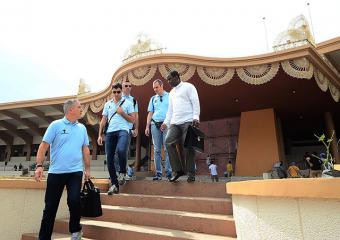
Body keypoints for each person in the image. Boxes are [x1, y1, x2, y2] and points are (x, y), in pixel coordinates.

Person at [34, 99, 90, 240]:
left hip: (75, 172)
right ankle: (44, 237)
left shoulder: (82, 128)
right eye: (79, 107)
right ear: (70, 110)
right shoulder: (55, 125)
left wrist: (87, 169)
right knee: (50, 207)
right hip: (56, 173)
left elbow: (85, 149)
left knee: (74, 200)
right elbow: (43, 146)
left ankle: (76, 231)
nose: (81, 109)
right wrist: (39, 166)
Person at [161, 70, 200, 183]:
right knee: (168, 142)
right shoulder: (172, 93)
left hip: (188, 121)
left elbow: (195, 102)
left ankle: (191, 174)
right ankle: (177, 171)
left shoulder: (189, 87)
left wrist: (196, 117)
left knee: (188, 146)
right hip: (175, 123)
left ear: (177, 77)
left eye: (170, 79)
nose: (168, 81)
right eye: (167, 80)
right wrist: (166, 122)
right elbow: (170, 110)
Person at [98, 83, 135, 195]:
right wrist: (100, 135)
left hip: (123, 130)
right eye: (114, 92)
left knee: (121, 150)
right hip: (110, 133)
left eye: (118, 92)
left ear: (121, 92)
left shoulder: (128, 103)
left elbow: (133, 120)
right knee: (109, 158)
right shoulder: (107, 104)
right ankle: (114, 184)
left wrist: (122, 113)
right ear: (112, 92)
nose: (116, 94)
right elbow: (103, 120)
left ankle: (123, 172)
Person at [145, 79, 172, 180]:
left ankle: (169, 173)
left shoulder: (170, 96)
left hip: (166, 124)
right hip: (154, 124)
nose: (155, 89)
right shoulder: (153, 98)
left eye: (156, 87)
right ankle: (158, 174)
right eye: (154, 88)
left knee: (167, 148)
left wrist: (167, 122)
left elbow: (172, 111)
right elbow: (150, 113)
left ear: (161, 86)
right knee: (156, 150)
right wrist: (147, 126)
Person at [114, 79, 139, 175]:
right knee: (114, 152)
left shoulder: (133, 100)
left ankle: (124, 171)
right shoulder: (117, 98)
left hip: (127, 129)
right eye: (126, 86)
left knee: (123, 151)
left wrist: (136, 128)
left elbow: (136, 115)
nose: (128, 87)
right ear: (122, 88)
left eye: (130, 86)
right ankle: (120, 172)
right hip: (115, 129)